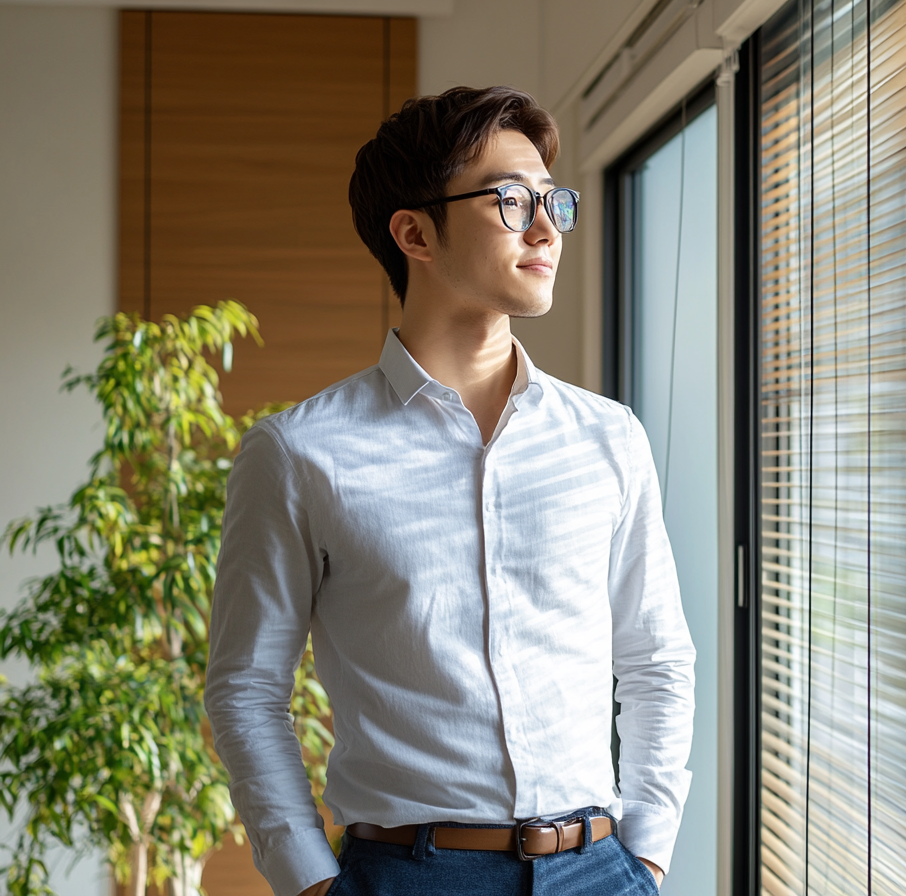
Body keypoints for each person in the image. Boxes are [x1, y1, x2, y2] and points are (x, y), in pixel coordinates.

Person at [204, 85, 695, 896]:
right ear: (414, 233)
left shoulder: (609, 438)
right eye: (510, 200)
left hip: (600, 870)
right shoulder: (298, 453)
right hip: (406, 875)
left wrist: (643, 858)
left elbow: (655, 661)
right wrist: (311, 882)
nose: (546, 229)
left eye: (551, 201)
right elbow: (247, 687)